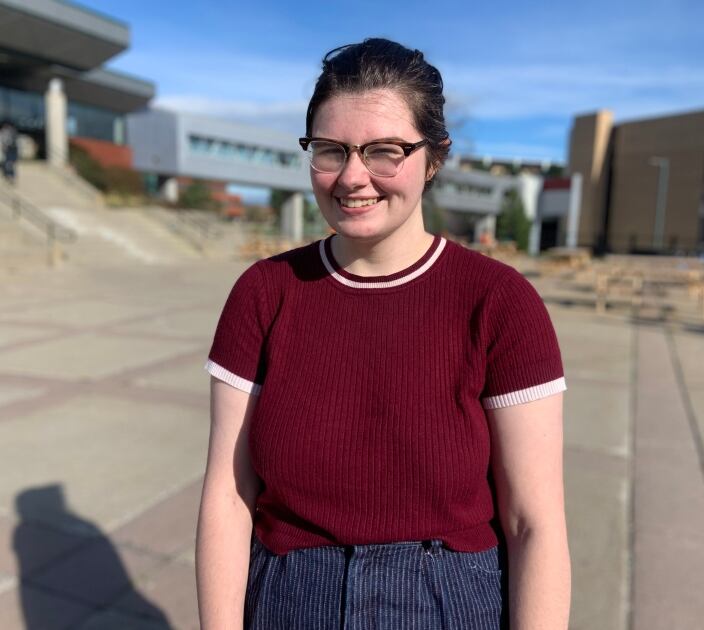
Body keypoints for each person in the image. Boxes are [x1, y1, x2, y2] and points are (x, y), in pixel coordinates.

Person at [197, 38, 570, 630]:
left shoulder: (500, 304)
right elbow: (227, 494)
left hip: (448, 602)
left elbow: (534, 524)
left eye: (384, 151)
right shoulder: (264, 294)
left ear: (435, 157)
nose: (351, 177)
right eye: (329, 150)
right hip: (291, 601)